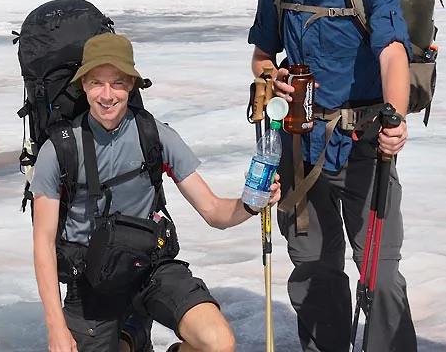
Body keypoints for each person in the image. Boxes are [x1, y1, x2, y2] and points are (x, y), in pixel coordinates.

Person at [246, 0, 415, 352]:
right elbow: (262, 53)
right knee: (316, 272)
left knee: (379, 275)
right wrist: (270, 75)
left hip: (364, 145)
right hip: (301, 147)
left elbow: (393, 52)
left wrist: (395, 118)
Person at [31, 33, 276, 352]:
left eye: (117, 82)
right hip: (91, 280)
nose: (107, 95)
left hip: (150, 266)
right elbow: (43, 243)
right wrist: (56, 328)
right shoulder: (59, 150)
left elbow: (214, 212)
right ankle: (129, 338)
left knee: (218, 343)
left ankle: (134, 334)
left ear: (131, 84)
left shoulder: (155, 135)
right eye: (97, 83)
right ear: (84, 86)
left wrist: (251, 204)